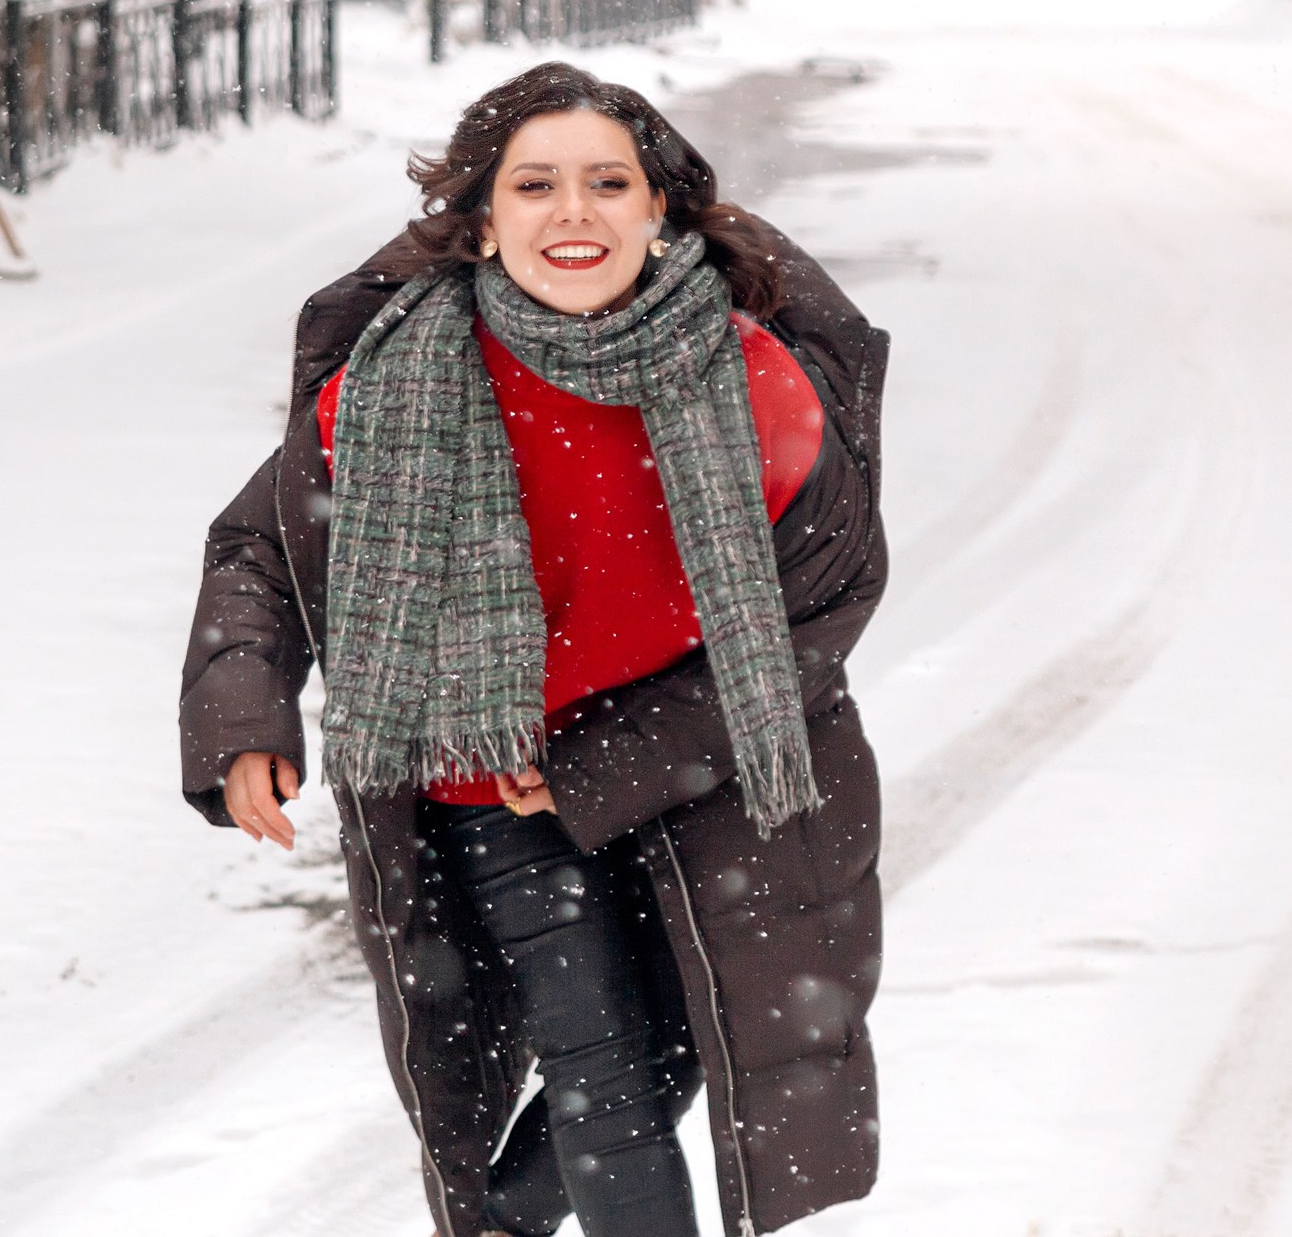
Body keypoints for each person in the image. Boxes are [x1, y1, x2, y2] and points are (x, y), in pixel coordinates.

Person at [177, 62, 893, 1237]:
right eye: (535, 185)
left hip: (706, 775)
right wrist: (245, 717)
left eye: (609, 182)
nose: (574, 213)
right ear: (482, 217)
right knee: (602, 1080)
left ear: (658, 208)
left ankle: (511, 1219)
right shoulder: (396, 384)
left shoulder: (758, 383)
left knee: (695, 1041)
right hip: (486, 778)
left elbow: (828, 603)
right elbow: (259, 546)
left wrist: (608, 761)